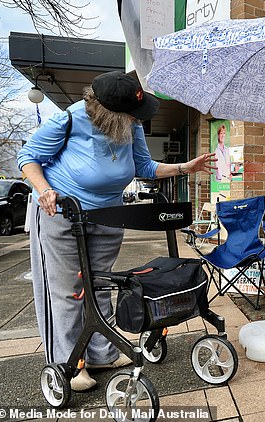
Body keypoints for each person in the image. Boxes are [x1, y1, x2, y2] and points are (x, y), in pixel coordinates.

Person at [17, 71, 216, 392]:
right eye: (130, 114)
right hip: (61, 212)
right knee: (68, 291)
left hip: (108, 215)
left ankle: (102, 353)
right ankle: (68, 363)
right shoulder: (69, 121)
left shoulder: (130, 124)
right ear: (106, 112)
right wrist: (43, 189)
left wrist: (184, 167)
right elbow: (27, 157)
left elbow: (144, 167)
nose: (137, 119)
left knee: (99, 285)